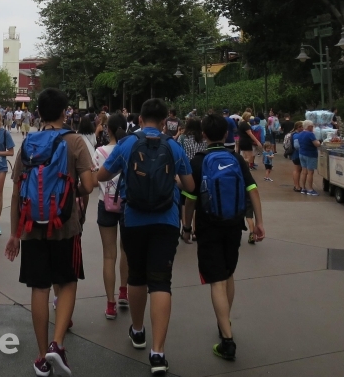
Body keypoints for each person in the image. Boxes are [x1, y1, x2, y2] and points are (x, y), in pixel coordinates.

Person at [98, 98, 194, 375]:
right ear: (166, 122)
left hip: (134, 219)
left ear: (139, 120)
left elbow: (104, 174)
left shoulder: (127, 144)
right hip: (167, 220)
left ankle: (138, 332)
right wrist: (174, 179)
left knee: (137, 276)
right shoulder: (173, 147)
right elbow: (190, 186)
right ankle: (158, 353)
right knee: (161, 282)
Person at [6, 88, 95, 377]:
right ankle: (58, 344)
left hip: (31, 227)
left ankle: (42, 357)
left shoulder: (29, 142)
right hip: (65, 226)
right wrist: (73, 192)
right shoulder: (75, 141)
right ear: (65, 111)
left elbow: (18, 188)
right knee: (67, 282)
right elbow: (89, 185)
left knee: (39, 288)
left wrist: (13, 233)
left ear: (39, 113)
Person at [181, 112, 264, 362]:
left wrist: (186, 227)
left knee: (216, 280)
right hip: (233, 224)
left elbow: (191, 201)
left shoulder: (198, 161)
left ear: (203, 135)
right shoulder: (236, 158)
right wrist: (259, 222)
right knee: (228, 274)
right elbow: (252, 189)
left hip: (209, 227)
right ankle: (224, 320)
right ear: (227, 134)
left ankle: (227, 341)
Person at [93, 113, 130, 320]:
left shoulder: (99, 152)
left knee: (109, 255)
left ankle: (110, 304)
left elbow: (93, 179)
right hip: (127, 205)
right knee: (126, 250)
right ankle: (124, 291)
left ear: (107, 130)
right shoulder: (130, 149)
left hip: (104, 204)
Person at [297, 122, 320, 196]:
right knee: (310, 172)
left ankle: (303, 188)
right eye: (312, 126)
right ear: (308, 126)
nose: (313, 128)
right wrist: (319, 142)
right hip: (310, 154)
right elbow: (317, 144)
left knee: (304, 172)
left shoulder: (300, 134)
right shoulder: (310, 134)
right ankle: (310, 189)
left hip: (302, 153)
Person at [288, 121, 304, 191]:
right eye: (302, 127)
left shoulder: (294, 134)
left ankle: (296, 185)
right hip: (296, 154)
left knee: (297, 170)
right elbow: (296, 146)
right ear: (299, 127)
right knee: (297, 170)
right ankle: (297, 186)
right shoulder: (296, 135)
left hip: (295, 154)